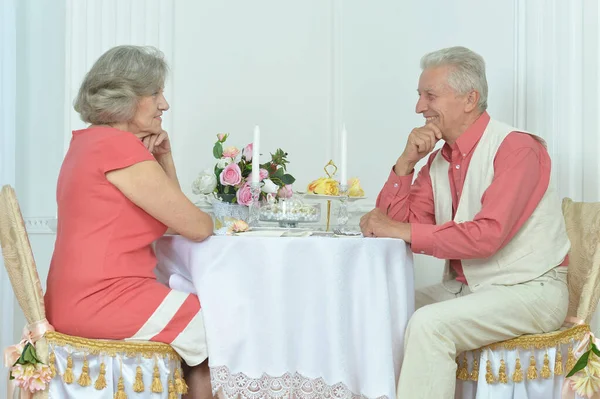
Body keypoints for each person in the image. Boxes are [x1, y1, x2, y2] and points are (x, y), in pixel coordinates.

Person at [359, 46, 570, 398]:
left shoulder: (518, 150)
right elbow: (389, 228)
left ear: (470, 99)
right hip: (467, 289)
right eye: (419, 96)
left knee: (430, 325)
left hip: (532, 289)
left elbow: (487, 236)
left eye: (430, 96)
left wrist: (397, 229)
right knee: (381, 311)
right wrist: (405, 163)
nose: (419, 107)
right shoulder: (437, 163)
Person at [45, 45, 214, 398]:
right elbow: (198, 227)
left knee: (201, 320)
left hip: (74, 299)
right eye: (155, 93)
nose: (164, 104)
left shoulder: (89, 143)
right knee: (218, 324)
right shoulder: (118, 149)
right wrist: (160, 161)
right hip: (103, 301)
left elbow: (170, 220)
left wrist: (164, 158)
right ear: (126, 97)